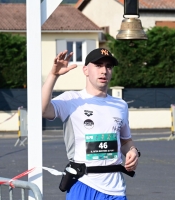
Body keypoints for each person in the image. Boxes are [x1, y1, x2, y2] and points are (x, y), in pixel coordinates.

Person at [42, 48, 140, 200]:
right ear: (86, 70)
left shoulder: (120, 105)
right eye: (98, 65)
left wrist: (132, 151)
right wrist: (53, 75)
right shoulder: (71, 99)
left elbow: (125, 140)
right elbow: (42, 110)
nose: (104, 71)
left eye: (108, 66)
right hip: (82, 183)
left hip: (115, 189)